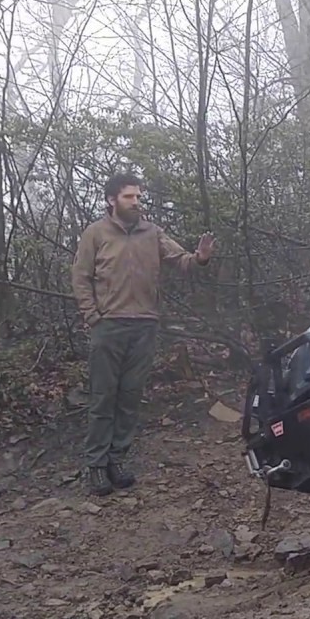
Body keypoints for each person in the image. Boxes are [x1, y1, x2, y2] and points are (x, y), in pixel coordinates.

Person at [70, 173, 215, 496]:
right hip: (109, 325)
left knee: (130, 396)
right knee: (103, 396)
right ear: (112, 200)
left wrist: (201, 258)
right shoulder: (95, 233)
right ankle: (96, 466)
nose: (136, 202)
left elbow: (181, 260)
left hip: (145, 325)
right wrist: (93, 316)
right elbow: (80, 278)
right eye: (129, 197)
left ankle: (116, 461)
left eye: (137, 197)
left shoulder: (152, 232)